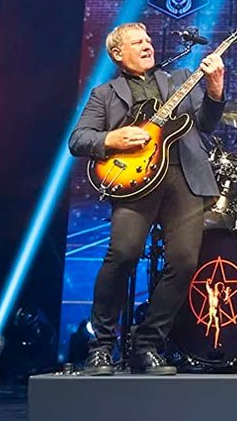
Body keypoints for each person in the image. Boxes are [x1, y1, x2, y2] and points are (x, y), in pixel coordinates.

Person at [68, 22, 226, 375]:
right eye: (138, 41)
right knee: (123, 254)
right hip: (134, 182)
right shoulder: (105, 94)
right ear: (117, 53)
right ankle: (101, 347)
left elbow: (206, 123)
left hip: (183, 178)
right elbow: (78, 139)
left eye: (149, 39)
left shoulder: (180, 79)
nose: (147, 45)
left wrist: (215, 88)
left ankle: (148, 344)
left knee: (184, 262)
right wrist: (111, 139)